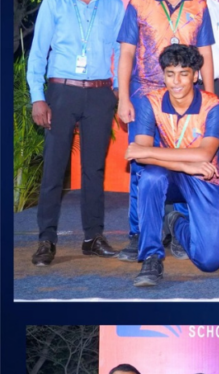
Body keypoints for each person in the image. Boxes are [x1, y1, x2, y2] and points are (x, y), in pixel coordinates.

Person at [116, 0, 216, 262]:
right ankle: (140, 232)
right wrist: (123, 97)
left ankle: (181, 227)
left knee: (186, 160)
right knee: (142, 165)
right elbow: (127, 51)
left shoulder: (199, 6)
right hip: (144, 94)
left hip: (186, 97)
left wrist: (210, 97)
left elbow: (205, 53)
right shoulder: (138, 4)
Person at [27, 0, 125, 266]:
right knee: (54, 167)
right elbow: (38, 51)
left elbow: (121, 48)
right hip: (62, 92)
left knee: (94, 169)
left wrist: (119, 87)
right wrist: (38, 97)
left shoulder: (113, 5)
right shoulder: (54, 4)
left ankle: (93, 237)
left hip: (100, 93)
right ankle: (46, 240)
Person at [125, 44, 219, 287]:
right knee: (150, 177)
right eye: (170, 74)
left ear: (195, 75)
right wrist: (186, 165)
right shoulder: (150, 102)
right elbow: (140, 158)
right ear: (163, 75)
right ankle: (151, 256)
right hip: (173, 174)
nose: (176, 81)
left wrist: (147, 152)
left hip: (207, 178)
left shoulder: (214, 106)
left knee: (211, 261)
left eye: (184, 74)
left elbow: (205, 154)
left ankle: (176, 222)